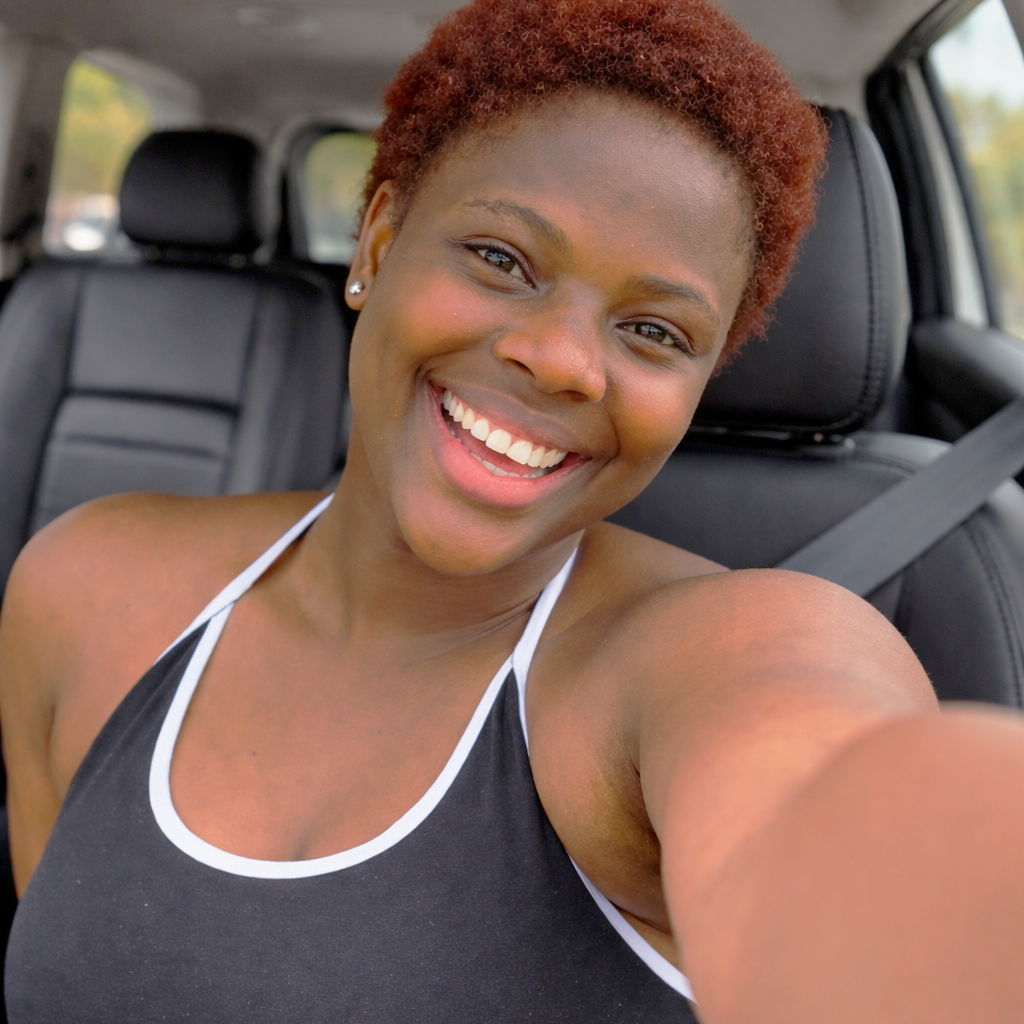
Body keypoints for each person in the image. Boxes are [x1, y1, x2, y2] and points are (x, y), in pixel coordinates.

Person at [1, 0, 1023, 1020]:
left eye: (655, 331)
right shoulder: (84, 585)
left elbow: (837, 806)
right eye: (500, 259)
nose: (564, 360)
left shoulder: (723, 652)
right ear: (377, 243)